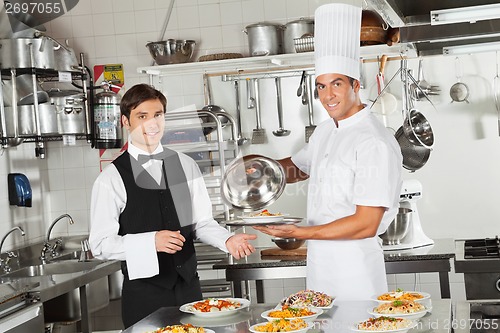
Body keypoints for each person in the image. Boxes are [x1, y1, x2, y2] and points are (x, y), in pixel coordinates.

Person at [252, 3, 403, 300]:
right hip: (321, 267)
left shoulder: (373, 141)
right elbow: (298, 168)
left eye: (336, 84)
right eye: (321, 86)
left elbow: (366, 224)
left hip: (355, 271)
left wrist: (297, 233)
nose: (328, 95)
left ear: (355, 85)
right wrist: (259, 170)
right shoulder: (325, 131)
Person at [89, 83, 256, 328]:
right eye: (142, 116)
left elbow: (201, 223)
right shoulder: (111, 179)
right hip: (144, 295)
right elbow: (100, 245)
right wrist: (150, 242)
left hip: (189, 291)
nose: (152, 124)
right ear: (126, 122)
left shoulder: (185, 165)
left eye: (157, 115)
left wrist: (227, 240)